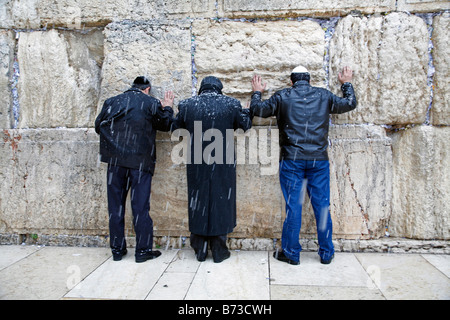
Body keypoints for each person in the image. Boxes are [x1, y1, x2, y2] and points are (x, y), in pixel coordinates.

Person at [251, 66, 357, 265]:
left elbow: (257, 110)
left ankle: (291, 253)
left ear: (291, 81)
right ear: (309, 80)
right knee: (322, 206)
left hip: (292, 160)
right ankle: (326, 253)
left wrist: (257, 92)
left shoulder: (283, 96)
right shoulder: (324, 95)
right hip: (319, 160)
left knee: (294, 207)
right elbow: (350, 104)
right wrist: (346, 84)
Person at [171, 76, 252, 263]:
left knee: (198, 200)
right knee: (221, 200)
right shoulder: (231, 104)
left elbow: (175, 129)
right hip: (223, 161)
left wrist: (171, 110)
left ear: (201, 89)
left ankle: (199, 249)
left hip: (197, 162)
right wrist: (246, 111)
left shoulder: (187, 105)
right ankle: (219, 250)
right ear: (219, 89)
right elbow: (245, 126)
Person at [95, 76, 175, 263]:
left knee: (116, 208)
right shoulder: (150, 102)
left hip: (115, 163)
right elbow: (166, 124)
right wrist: (168, 106)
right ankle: (142, 251)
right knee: (140, 208)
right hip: (140, 163)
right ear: (147, 89)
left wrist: (116, 145)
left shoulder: (112, 102)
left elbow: (99, 127)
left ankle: (117, 250)